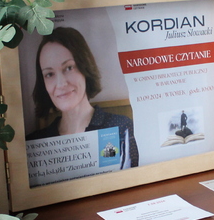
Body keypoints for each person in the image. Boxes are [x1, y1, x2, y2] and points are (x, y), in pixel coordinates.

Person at [27, 27, 139, 168]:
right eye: (49, 74)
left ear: (85, 67)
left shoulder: (122, 127)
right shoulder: (35, 143)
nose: (61, 84)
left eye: (69, 68)